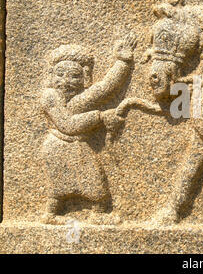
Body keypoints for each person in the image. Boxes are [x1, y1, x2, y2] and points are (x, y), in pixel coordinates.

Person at [39, 34, 136, 224]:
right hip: (57, 147)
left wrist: (122, 61)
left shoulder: (79, 99)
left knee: (97, 186)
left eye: (74, 76)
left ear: (84, 78)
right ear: (51, 75)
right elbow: (67, 124)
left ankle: (98, 214)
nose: (66, 81)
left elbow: (106, 87)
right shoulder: (50, 96)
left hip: (78, 148)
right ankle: (50, 215)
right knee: (57, 189)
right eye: (60, 74)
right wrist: (99, 117)